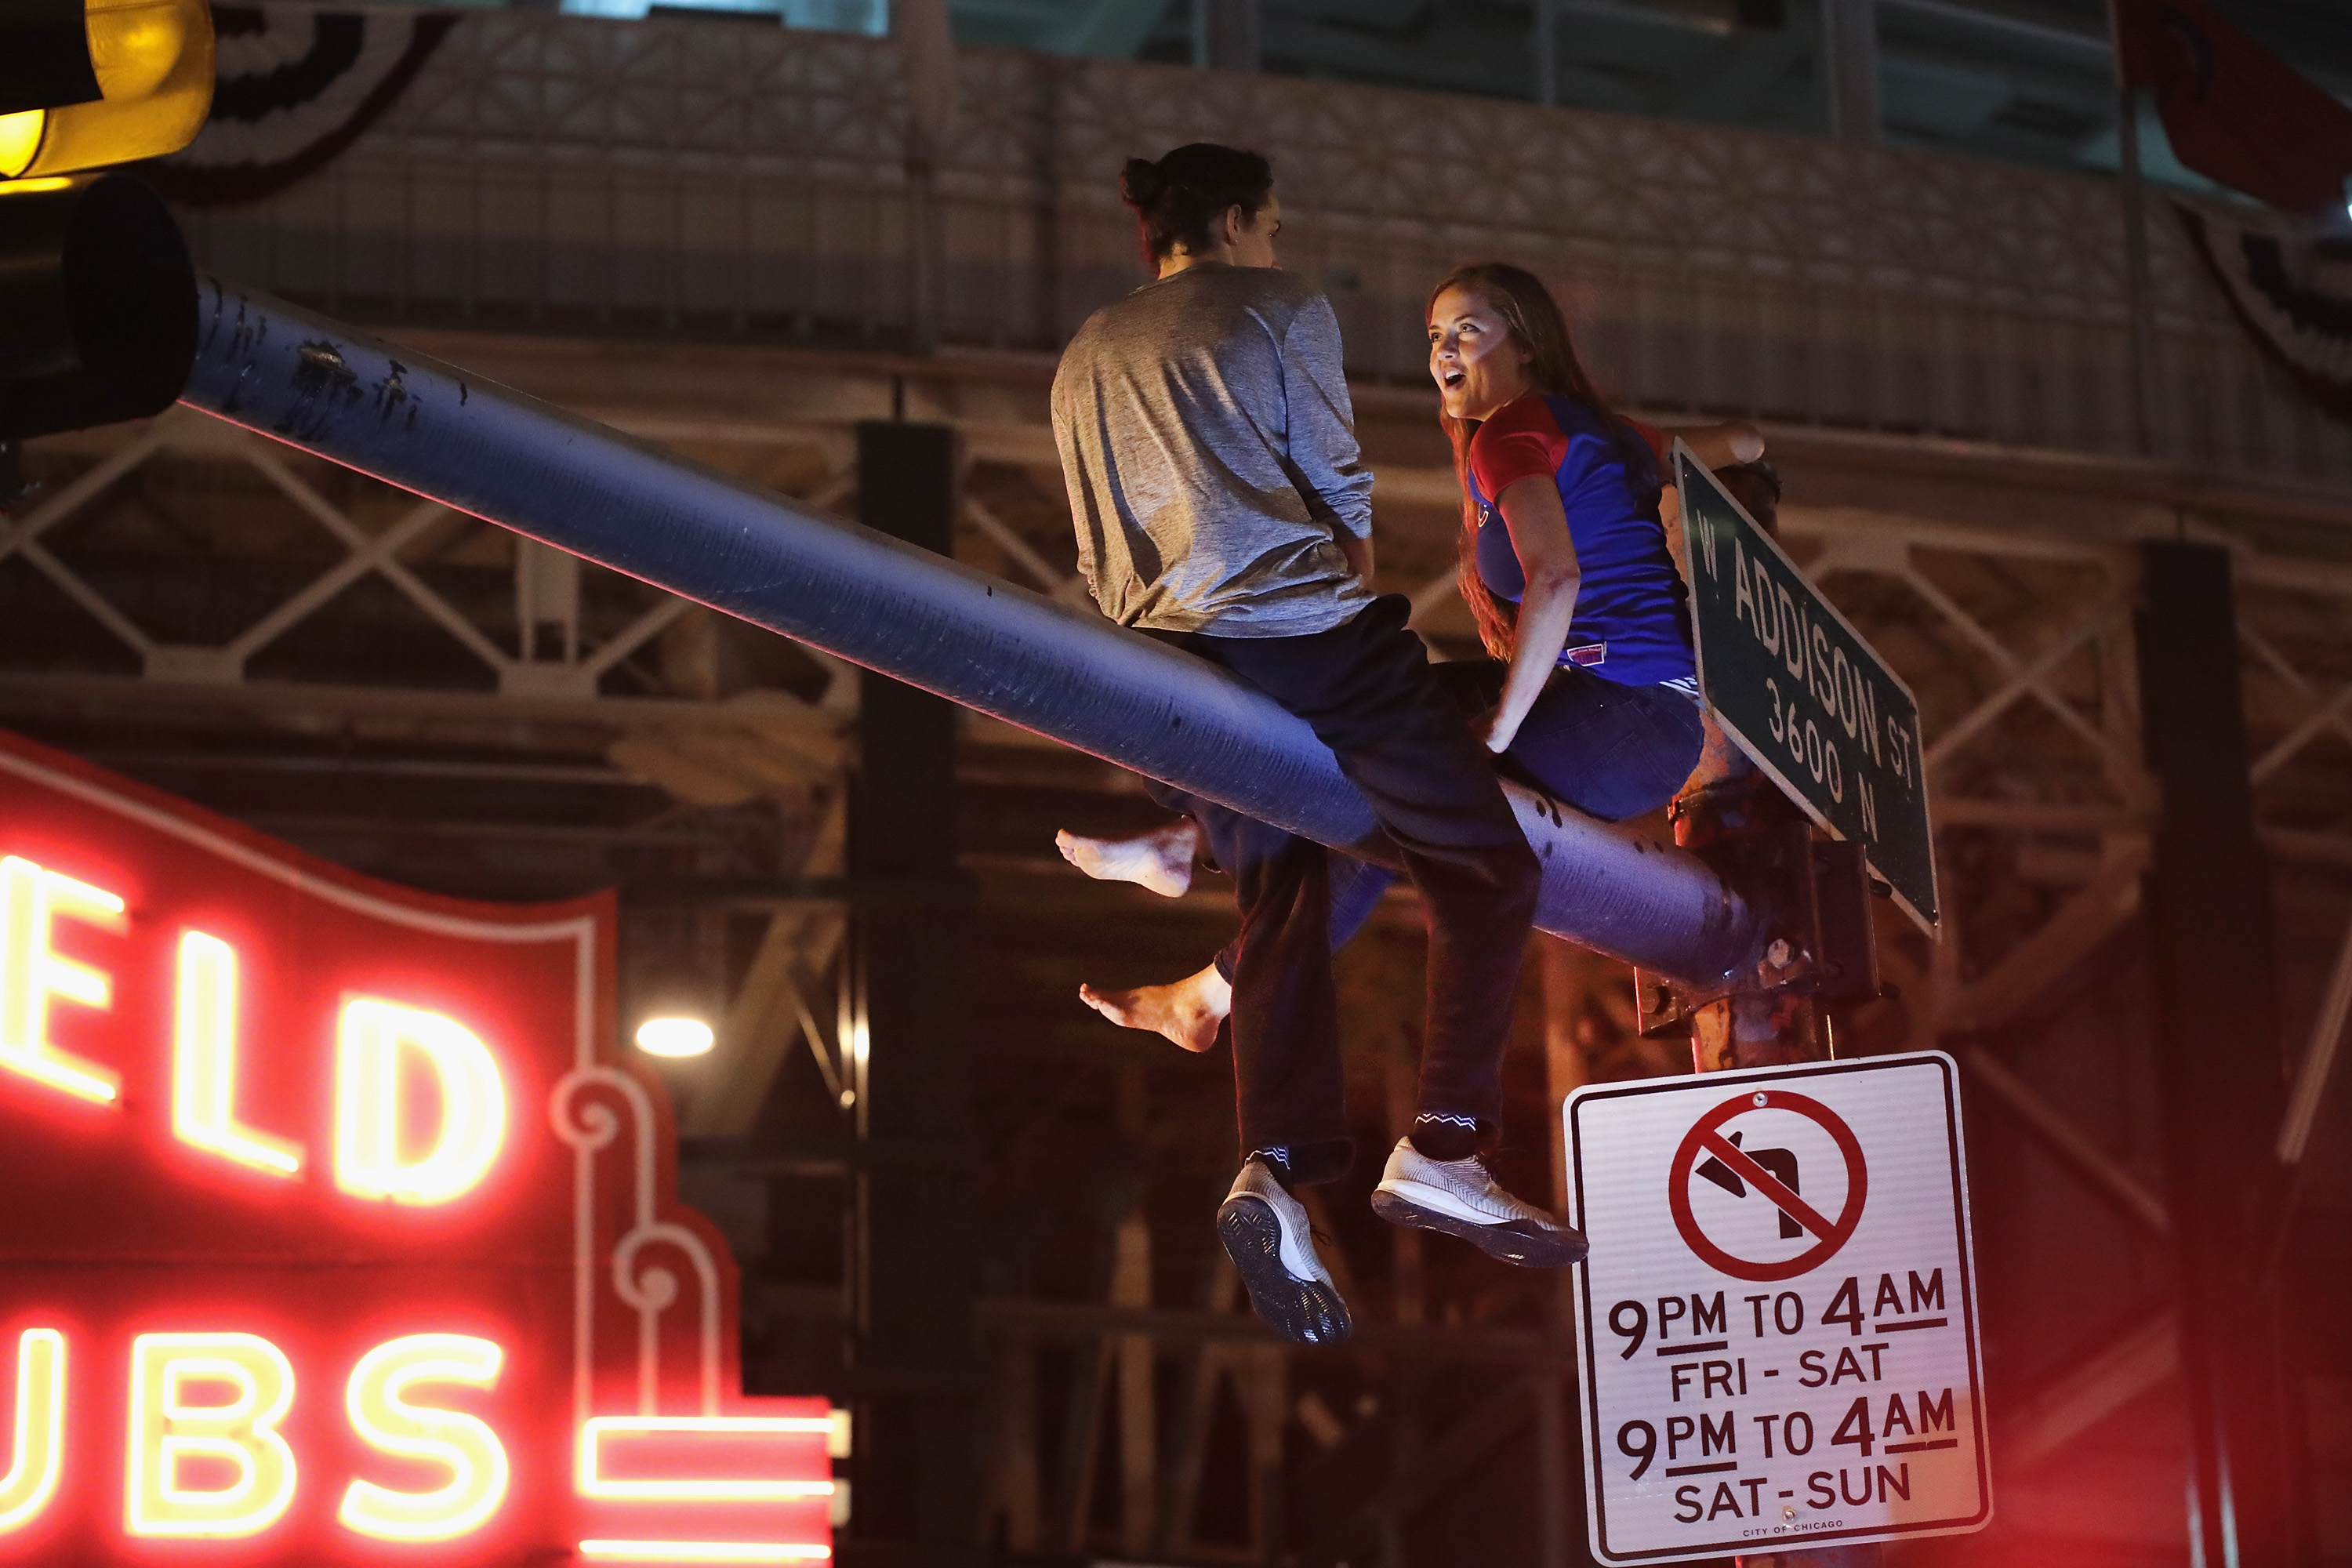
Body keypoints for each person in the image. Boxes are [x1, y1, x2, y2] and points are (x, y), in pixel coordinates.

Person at [1052, 151, 1577, 1347]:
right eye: (1274, 227)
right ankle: (1446, 1147)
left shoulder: (1087, 350)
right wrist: (1353, 611)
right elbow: (1338, 485)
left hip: (1159, 670)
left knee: (1292, 880)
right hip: (1304, 639)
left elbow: (1093, 539)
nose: (1277, 247)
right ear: (1238, 220)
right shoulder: (1278, 307)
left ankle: (1274, 1169)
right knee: (1485, 867)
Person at [1064, 259, 1751, 1096]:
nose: (1444, 351)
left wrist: (1501, 727)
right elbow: (1741, 441)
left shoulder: (1513, 435)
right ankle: (1192, 841)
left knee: (1409, 805)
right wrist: (1735, 463)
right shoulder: (1602, 430)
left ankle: (1210, 993)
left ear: (1525, 343)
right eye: (1435, 336)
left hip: (1622, 721)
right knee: (1369, 713)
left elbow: (1556, 578)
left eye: (1468, 329)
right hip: (1618, 707)